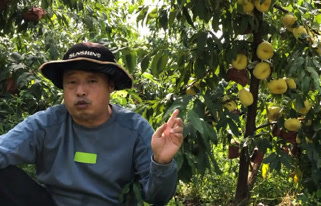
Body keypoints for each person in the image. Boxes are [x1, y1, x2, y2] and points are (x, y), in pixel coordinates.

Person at [0, 42, 184, 206]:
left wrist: (162, 162)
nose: (80, 91)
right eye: (72, 82)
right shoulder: (46, 124)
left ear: (110, 86)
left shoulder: (134, 129)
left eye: (92, 81)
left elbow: (157, 197)